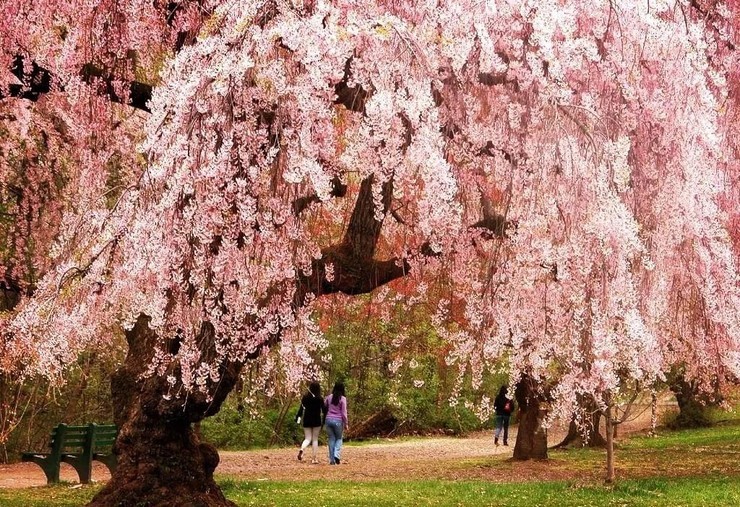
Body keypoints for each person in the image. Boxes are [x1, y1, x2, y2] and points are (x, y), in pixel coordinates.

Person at [296, 381, 327, 464]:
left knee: (307, 438)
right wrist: (324, 420)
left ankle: (302, 449)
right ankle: (314, 459)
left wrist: (298, 418)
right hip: (316, 420)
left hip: (307, 419)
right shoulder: (319, 398)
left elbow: (301, 409)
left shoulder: (305, 397)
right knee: (315, 439)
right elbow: (324, 410)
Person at [324, 382, 348, 465]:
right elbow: (344, 413)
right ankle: (336, 455)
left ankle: (331, 460)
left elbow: (325, 406)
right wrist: (346, 423)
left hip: (328, 420)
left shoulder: (329, 397)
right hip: (338, 421)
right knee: (339, 438)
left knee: (331, 439)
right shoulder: (343, 399)